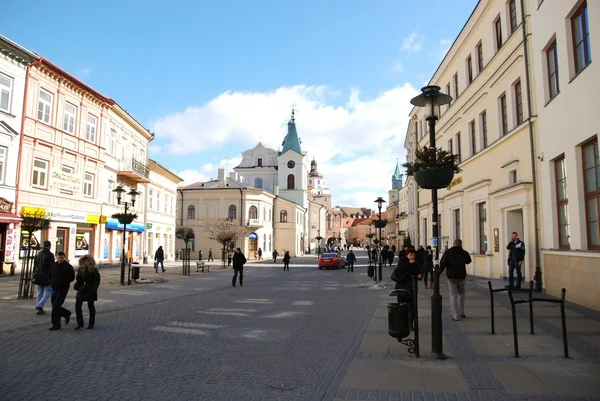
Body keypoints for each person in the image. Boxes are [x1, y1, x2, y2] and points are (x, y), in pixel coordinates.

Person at [439, 239, 472, 321]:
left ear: (453, 244)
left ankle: (455, 315)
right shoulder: (464, 252)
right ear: (461, 244)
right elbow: (468, 261)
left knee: (453, 295)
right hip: (461, 276)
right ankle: (462, 312)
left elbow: (442, 263)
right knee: (462, 294)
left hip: (451, 277)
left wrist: (438, 273)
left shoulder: (448, 252)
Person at [48, 251, 75, 331]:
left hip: (63, 289)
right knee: (54, 305)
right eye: (59, 257)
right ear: (56, 257)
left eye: (62, 257)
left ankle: (56, 324)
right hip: (54, 288)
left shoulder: (68, 267)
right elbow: (49, 275)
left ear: (64, 257)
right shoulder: (53, 265)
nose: (60, 259)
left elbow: (72, 277)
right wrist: (51, 282)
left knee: (56, 306)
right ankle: (66, 313)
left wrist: (65, 282)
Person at [74, 255, 101, 330]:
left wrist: (94, 288)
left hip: (90, 290)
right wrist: (77, 284)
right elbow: (78, 278)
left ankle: (91, 323)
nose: (86, 262)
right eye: (84, 261)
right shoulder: (81, 269)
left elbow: (97, 280)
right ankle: (80, 323)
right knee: (77, 306)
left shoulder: (93, 270)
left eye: (87, 261)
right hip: (82, 289)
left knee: (91, 306)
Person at [32, 240, 54, 315]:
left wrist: (34, 274)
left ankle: (39, 309)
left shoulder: (38, 254)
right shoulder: (50, 255)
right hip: (46, 276)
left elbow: (35, 265)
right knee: (49, 290)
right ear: (49, 246)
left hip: (38, 275)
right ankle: (39, 305)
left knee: (39, 292)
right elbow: (52, 267)